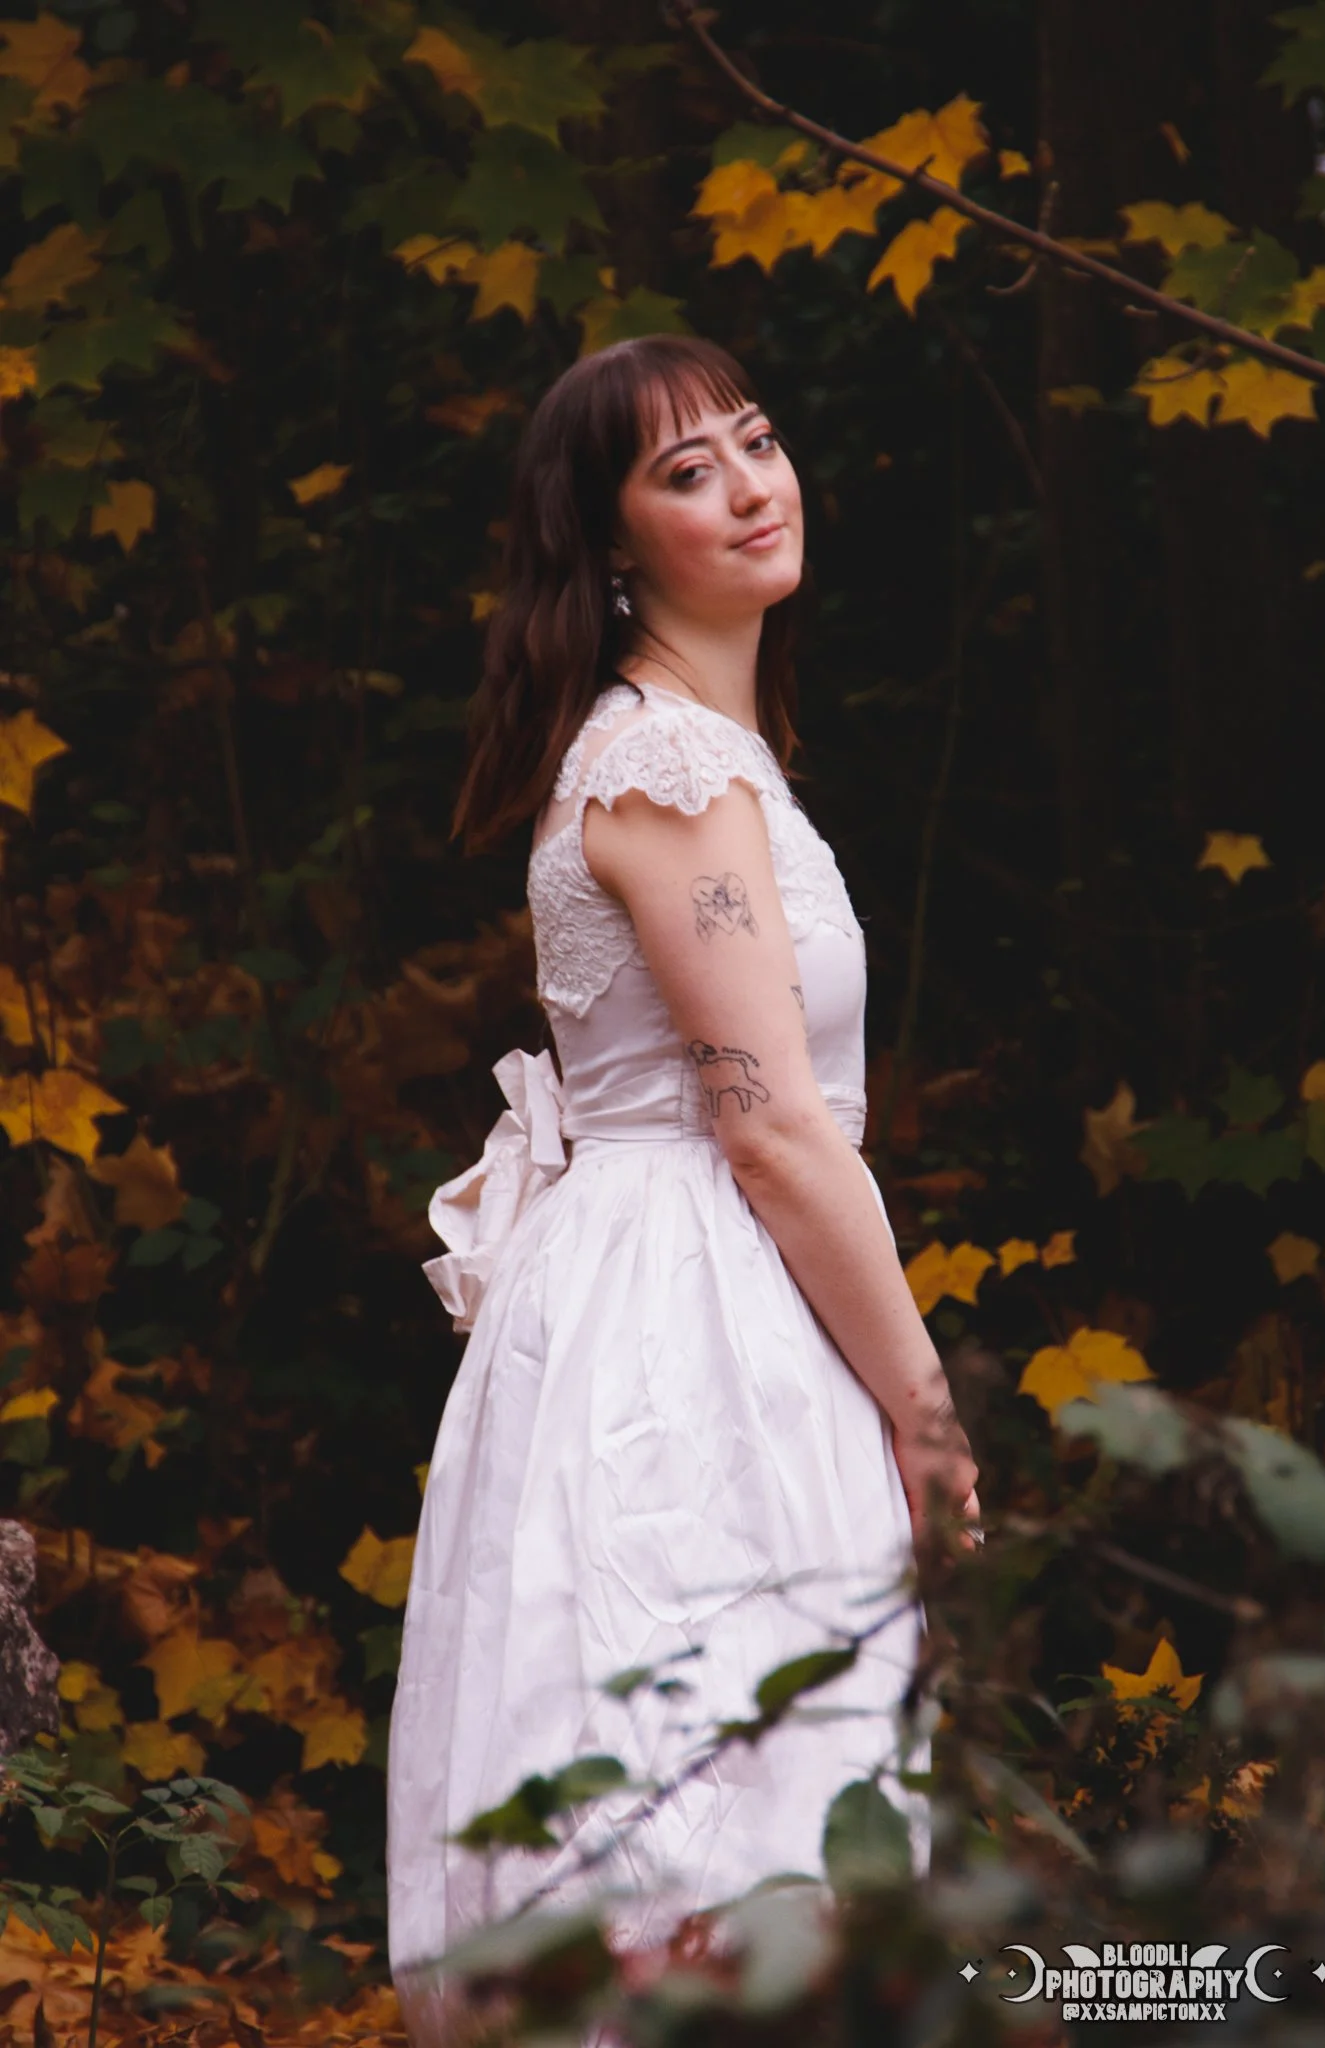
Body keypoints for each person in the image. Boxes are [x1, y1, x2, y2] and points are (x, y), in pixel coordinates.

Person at [386, 333, 981, 2043]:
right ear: (610, 537)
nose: (751, 483)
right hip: (685, 1332)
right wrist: (928, 1418)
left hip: (695, 1294)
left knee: (755, 1784)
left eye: (758, 440)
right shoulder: (668, 771)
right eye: (686, 469)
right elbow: (776, 1131)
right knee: (712, 1800)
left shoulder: (702, 755)